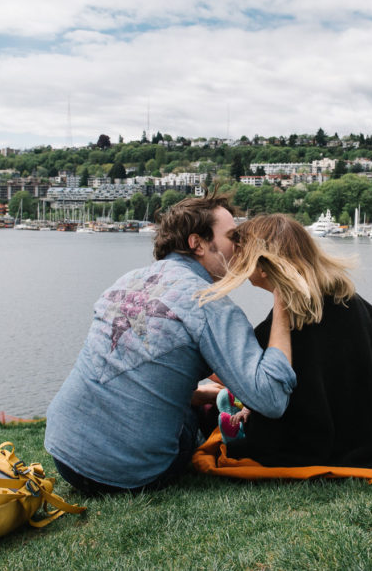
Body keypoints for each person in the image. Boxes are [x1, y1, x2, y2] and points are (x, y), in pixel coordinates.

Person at [45, 194, 296, 494]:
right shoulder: (209, 303)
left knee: (187, 401)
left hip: (64, 454)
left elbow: (139, 370)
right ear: (198, 243)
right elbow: (270, 399)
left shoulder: (126, 281)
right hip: (132, 473)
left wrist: (198, 393)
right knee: (198, 420)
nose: (240, 246)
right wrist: (283, 297)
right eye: (232, 237)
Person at [199, 213, 372, 478]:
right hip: (371, 435)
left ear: (263, 267)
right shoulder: (356, 305)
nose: (235, 263)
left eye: (241, 256)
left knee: (209, 417)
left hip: (312, 445)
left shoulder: (285, 327)